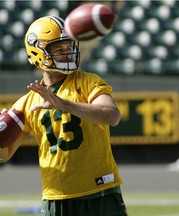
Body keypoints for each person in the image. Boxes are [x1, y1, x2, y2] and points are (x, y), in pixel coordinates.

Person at [0, 16, 127, 216]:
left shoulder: (88, 82)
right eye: (59, 49)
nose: (67, 53)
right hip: (55, 198)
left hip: (100, 192)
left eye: (68, 47)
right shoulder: (27, 102)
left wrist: (63, 104)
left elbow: (112, 116)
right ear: (38, 54)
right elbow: (5, 154)